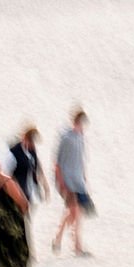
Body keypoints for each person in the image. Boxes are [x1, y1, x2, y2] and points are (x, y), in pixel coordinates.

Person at [53, 109, 94, 257]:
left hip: (78, 181)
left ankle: (58, 237)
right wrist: (61, 181)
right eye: (81, 122)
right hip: (67, 181)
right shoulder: (66, 138)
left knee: (75, 213)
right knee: (75, 211)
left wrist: (84, 176)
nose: (82, 126)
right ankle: (77, 247)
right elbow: (57, 162)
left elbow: (81, 159)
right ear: (76, 121)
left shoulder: (81, 138)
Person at [3, 127, 48, 205]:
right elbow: (7, 175)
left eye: (34, 143)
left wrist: (45, 186)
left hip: (28, 193)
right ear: (25, 138)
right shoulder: (14, 153)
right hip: (15, 194)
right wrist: (17, 194)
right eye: (31, 142)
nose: (33, 145)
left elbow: (37, 167)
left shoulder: (31, 150)